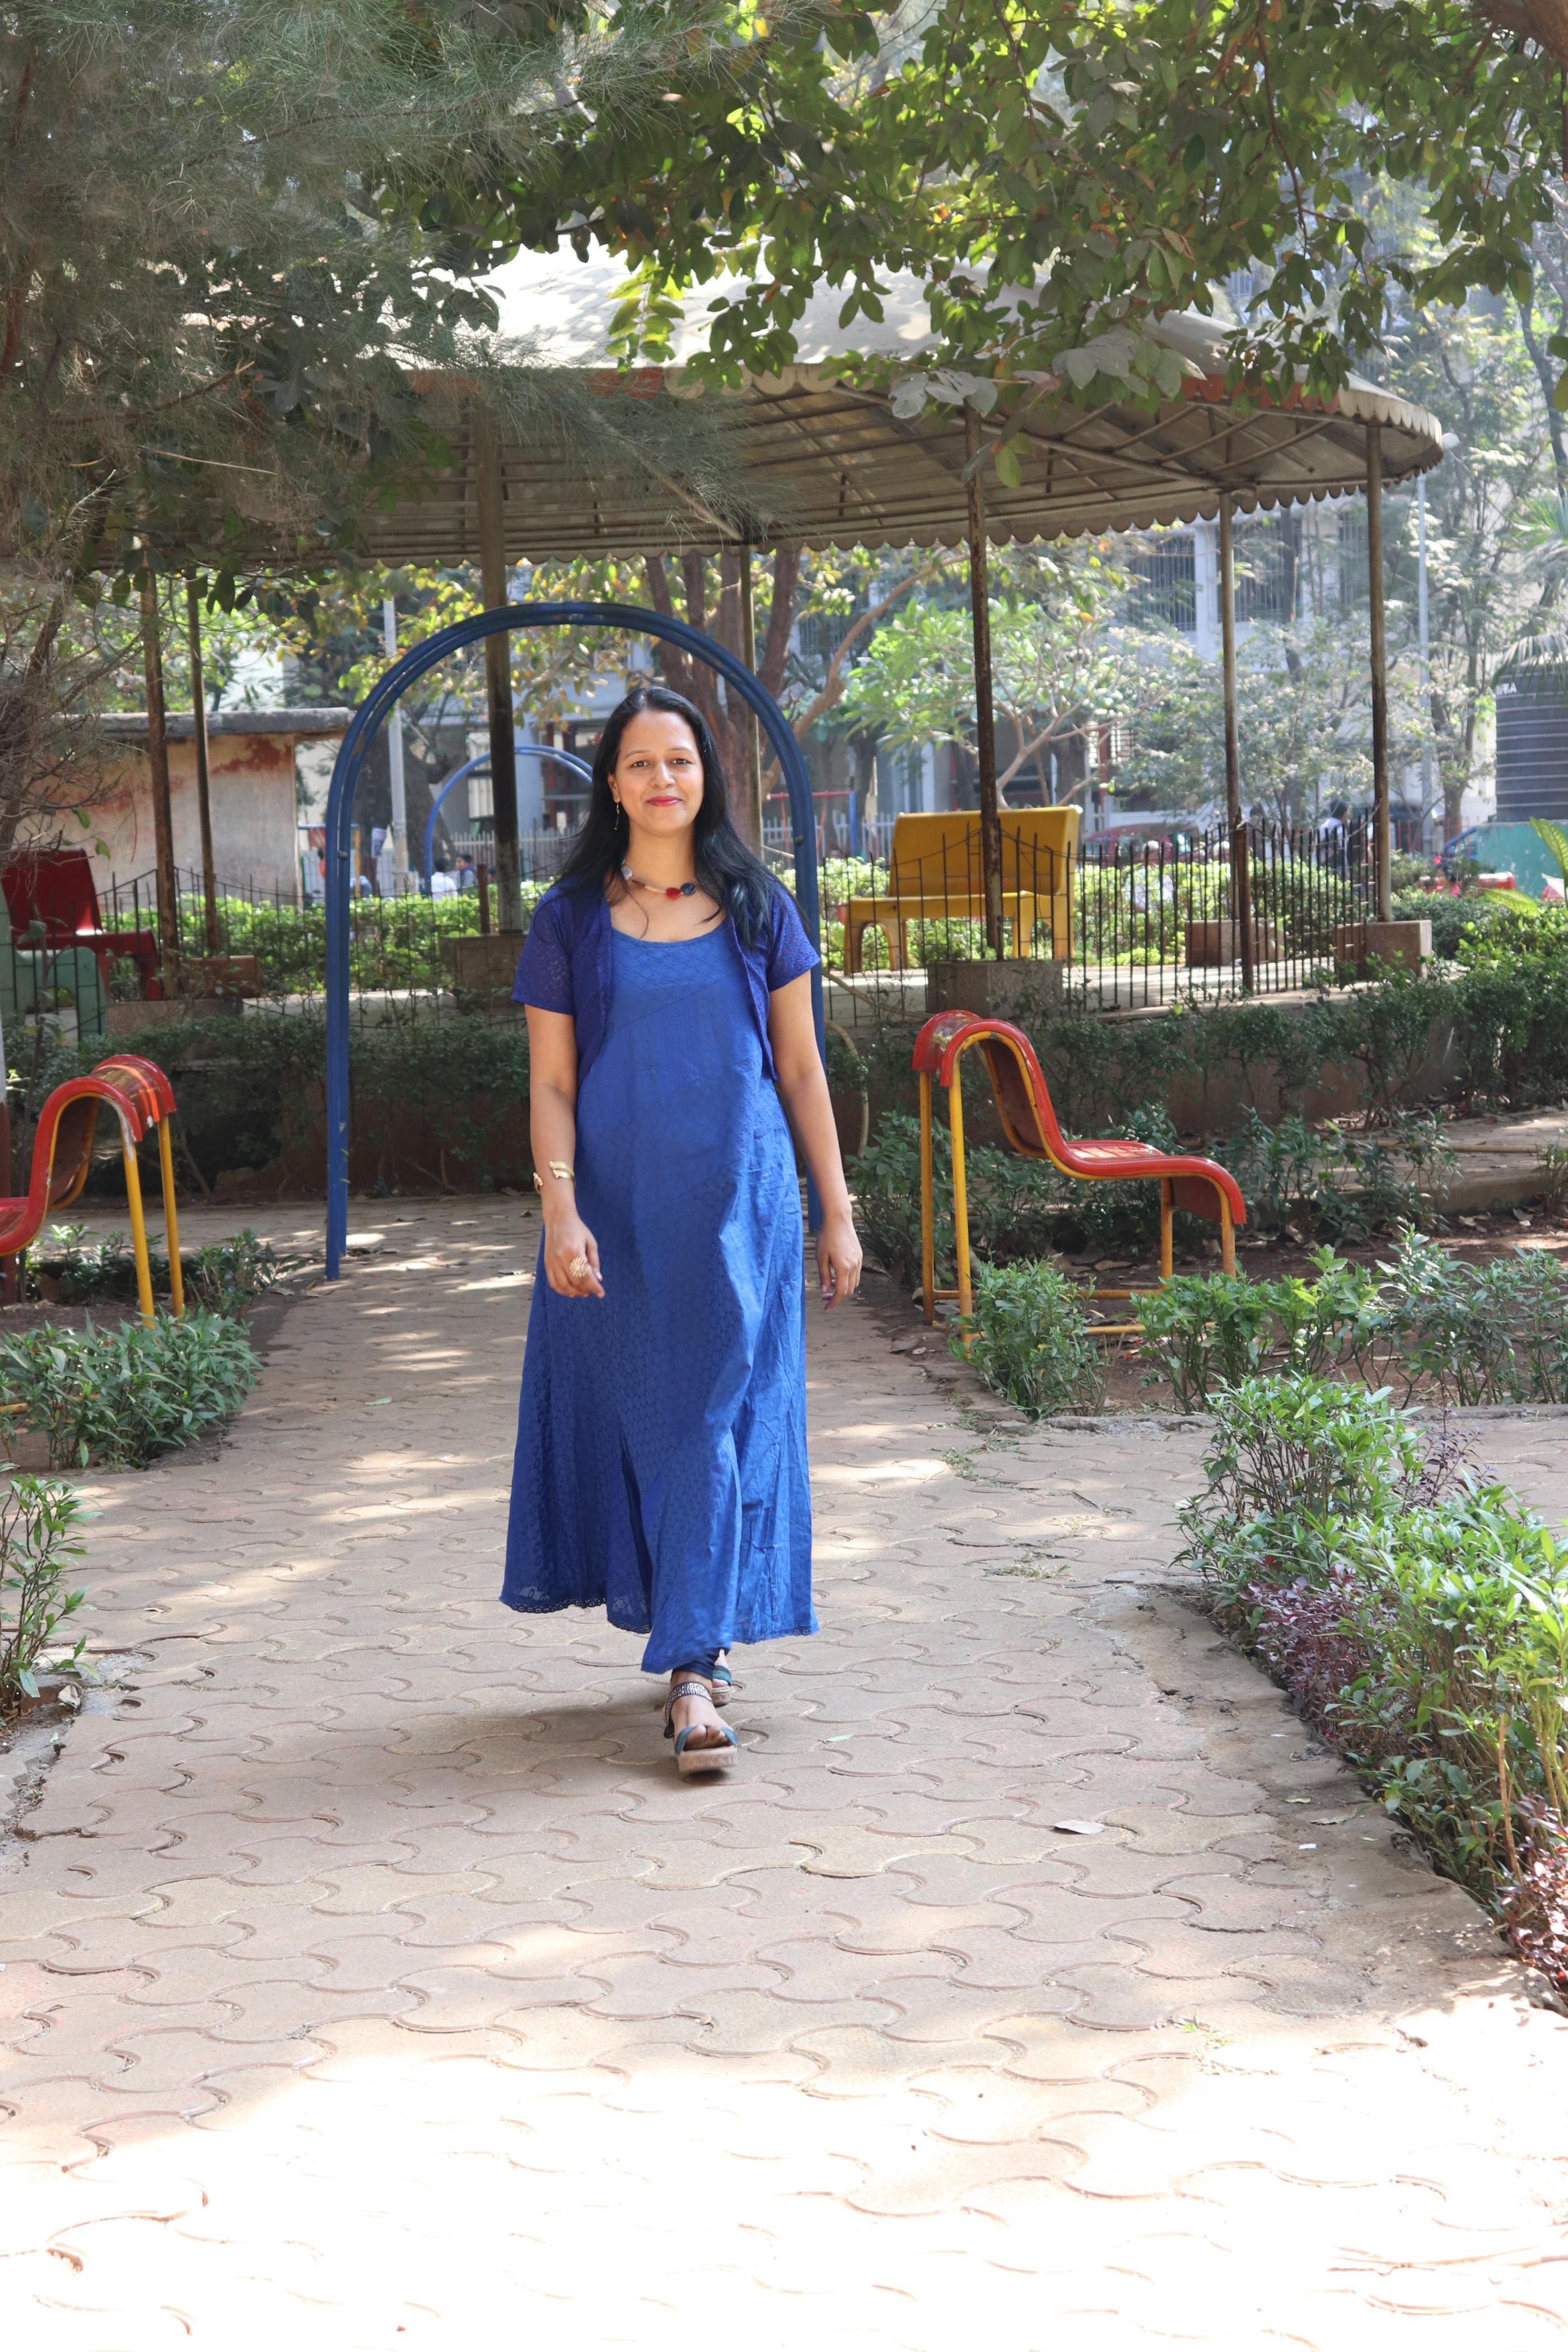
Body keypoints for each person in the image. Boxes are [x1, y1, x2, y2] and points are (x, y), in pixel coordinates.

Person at [503, 684, 862, 1775]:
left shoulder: (757, 907)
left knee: (712, 1414)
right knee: (660, 1422)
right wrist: (561, 1208)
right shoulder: (569, 921)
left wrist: (837, 1212)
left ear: (707, 778)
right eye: (640, 763)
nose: (664, 778)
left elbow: (800, 1070)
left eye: (682, 760)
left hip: (739, 1207)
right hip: (618, 1212)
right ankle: (694, 1637)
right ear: (611, 787)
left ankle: (694, 1676)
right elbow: (551, 1083)